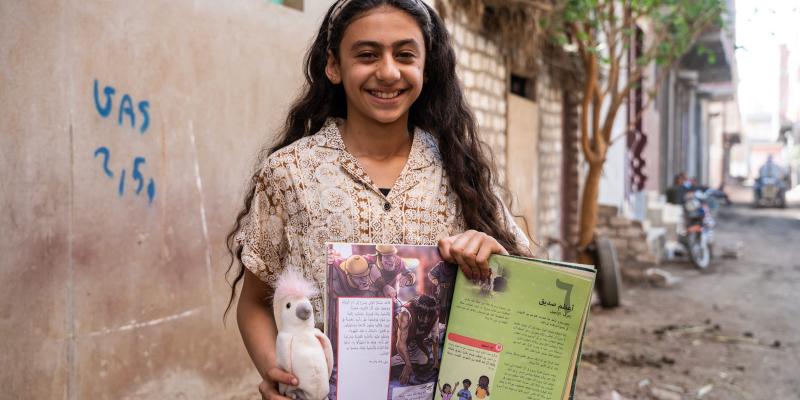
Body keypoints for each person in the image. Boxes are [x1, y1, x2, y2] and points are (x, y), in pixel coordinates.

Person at [223, 1, 531, 399]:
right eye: (367, 55)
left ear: (426, 67)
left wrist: (494, 258)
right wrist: (280, 373)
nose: (388, 72)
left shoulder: (460, 171)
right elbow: (255, 304)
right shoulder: (290, 173)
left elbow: (523, 298)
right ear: (333, 66)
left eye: (405, 55)